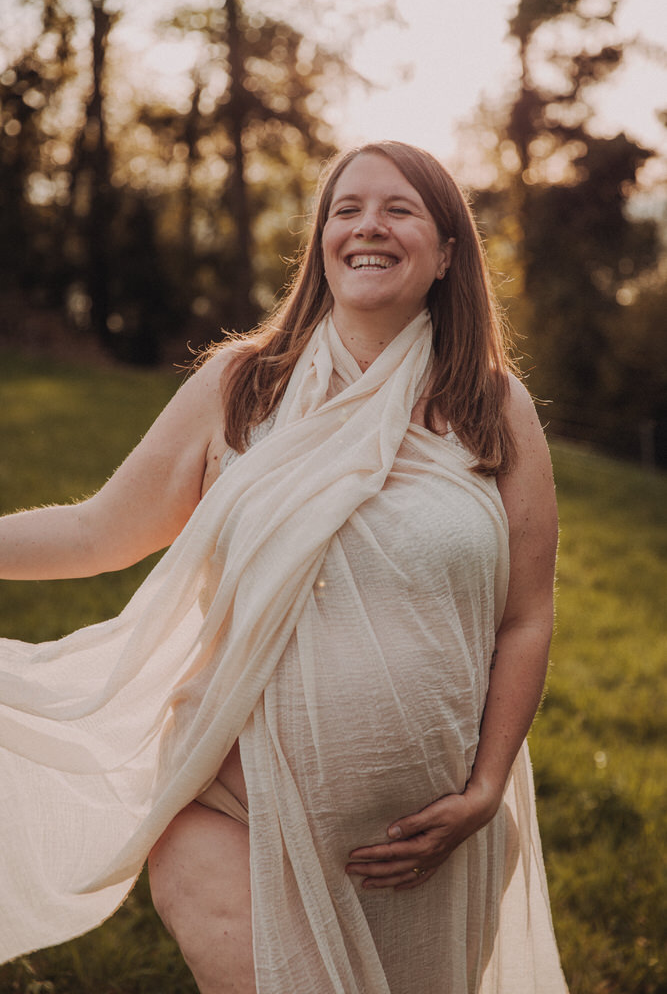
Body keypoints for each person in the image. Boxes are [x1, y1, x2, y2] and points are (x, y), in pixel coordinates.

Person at [0, 140, 568, 994]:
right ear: (321, 242)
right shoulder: (244, 385)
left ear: (448, 252)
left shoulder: (492, 406)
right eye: (346, 209)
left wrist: (486, 787)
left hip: (429, 847)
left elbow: (524, 617)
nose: (367, 226)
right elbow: (94, 533)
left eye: (398, 209)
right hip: (232, 812)